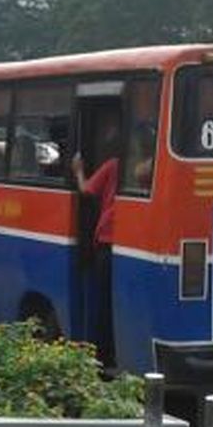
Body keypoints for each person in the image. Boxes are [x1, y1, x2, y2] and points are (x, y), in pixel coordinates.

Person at [71, 122, 121, 365]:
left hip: (107, 241)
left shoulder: (113, 165)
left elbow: (86, 191)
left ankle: (101, 356)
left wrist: (78, 170)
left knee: (102, 304)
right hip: (129, 245)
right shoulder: (144, 169)